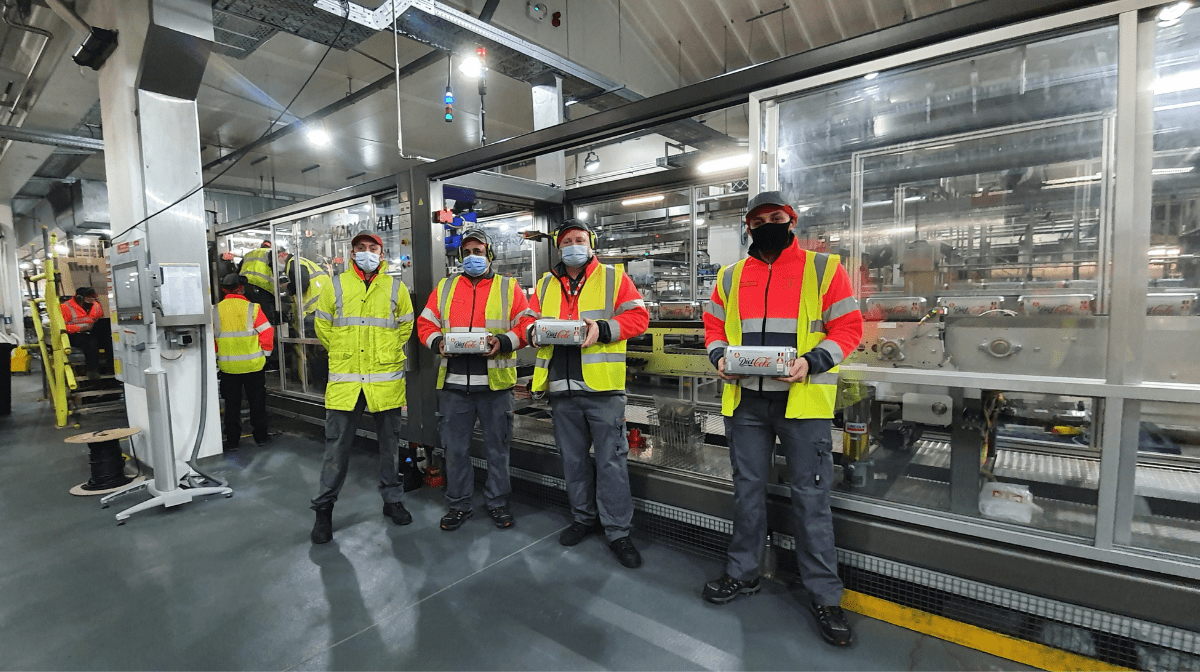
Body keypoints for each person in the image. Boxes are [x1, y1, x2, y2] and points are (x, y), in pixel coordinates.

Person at [701, 191, 864, 647]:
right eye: (760, 219)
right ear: (748, 227)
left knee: (810, 498)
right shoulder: (731, 276)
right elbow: (713, 326)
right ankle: (743, 573)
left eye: (777, 217)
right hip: (747, 402)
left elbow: (849, 328)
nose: (769, 223)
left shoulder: (823, 268)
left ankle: (825, 595)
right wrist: (718, 356)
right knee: (747, 492)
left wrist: (812, 362)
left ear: (791, 221)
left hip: (803, 402)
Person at [527, 219, 649, 568]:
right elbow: (525, 320)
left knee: (611, 463)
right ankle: (583, 518)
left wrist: (603, 328)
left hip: (603, 389)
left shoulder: (614, 278)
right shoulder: (545, 283)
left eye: (580, 239)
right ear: (558, 247)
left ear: (590, 244)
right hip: (561, 390)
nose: (574, 245)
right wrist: (531, 330)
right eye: (567, 240)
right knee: (573, 461)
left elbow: (639, 318)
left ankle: (618, 532)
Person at [416, 229, 535, 531]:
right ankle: (458, 505)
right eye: (467, 253)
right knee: (455, 451)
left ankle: (497, 503)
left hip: (495, 386)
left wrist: (504, 341)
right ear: (460, 257)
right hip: (455, 387)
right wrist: (436, 343)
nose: (472, 257)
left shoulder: (508, 288)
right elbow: (425, 322)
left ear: (489, 254)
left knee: (498, 450)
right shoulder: (445, 288)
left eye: (478, 251)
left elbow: (528, 323)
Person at [309, 231, 415, 544]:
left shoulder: (396, 287)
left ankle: (392, 501)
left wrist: (387, 350)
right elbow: (323, 326)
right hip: (346, 383)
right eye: (361, 248)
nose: (366, 252)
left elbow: (405, 325)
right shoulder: (336, 285)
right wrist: (343, 351)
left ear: (381, 254)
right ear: (352, 252)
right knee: (336, 450)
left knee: (390, 448)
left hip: (384, 382)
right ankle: (324, 509)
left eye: (372, 248)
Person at [213, 274, 274, 451]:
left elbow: (212, 339)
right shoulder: (253, 308)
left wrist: (218, 357)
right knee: (257, 403)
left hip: (228, 368)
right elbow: (267, 333)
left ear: (224, 289)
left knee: (232, 405)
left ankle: (232, 441)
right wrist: (266, 355)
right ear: (241, 288)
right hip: (254, 366)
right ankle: (261, 437)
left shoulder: (215, 310)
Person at [60, 286, 104, 379]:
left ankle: (110, 366)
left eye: (93, 298)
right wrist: (79, 328)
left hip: (90, 331)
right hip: (73, 334)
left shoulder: (95, 305)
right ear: (80, 298)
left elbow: (99, 318)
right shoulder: (66, 307)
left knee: (108, 337)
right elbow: (62, 327)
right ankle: (92, 371)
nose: (92, 301)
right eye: (89, 298)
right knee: (90, 343)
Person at [238, 240, 278, 324]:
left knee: (249, 311)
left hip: (246, 286)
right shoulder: (270, 253)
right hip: (263, 286)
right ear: (270, 247)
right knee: (264, 313)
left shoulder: (248, 254)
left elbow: (238, 270)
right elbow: (276, 269)